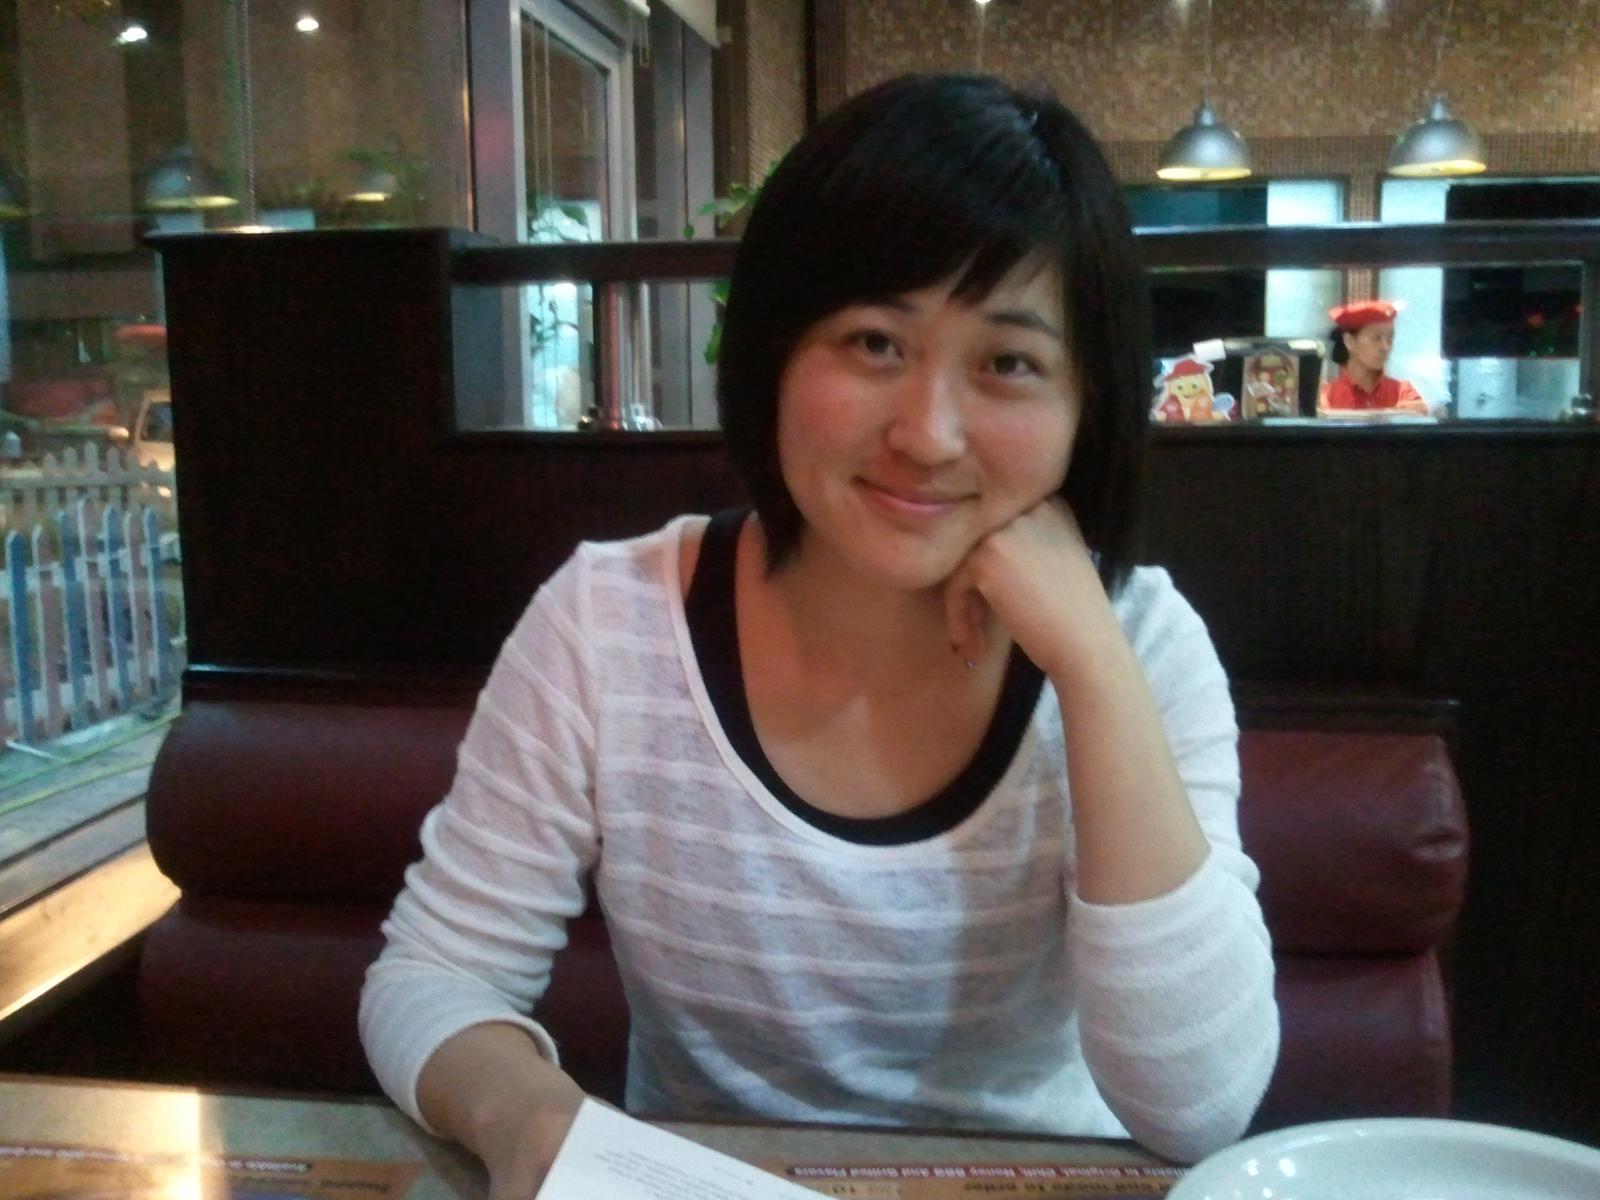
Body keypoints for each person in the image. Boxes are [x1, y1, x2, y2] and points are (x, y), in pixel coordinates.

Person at [359, 73, 1279, 1196]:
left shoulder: (1144, 645)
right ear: (775, 352)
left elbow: (1200, 1105)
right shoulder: (610, 621)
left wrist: (1092, 665)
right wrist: (532, 1118)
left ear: (1089, 405)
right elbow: (433, 976)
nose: (928, 434)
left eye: (1008, 362)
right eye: (874, 342)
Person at [1319, 300, 1429, 413]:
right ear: (1349, 341)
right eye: (1376, 338)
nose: (1385, 347)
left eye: (1390, 339)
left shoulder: (1403, 393)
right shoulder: (1326, 397)